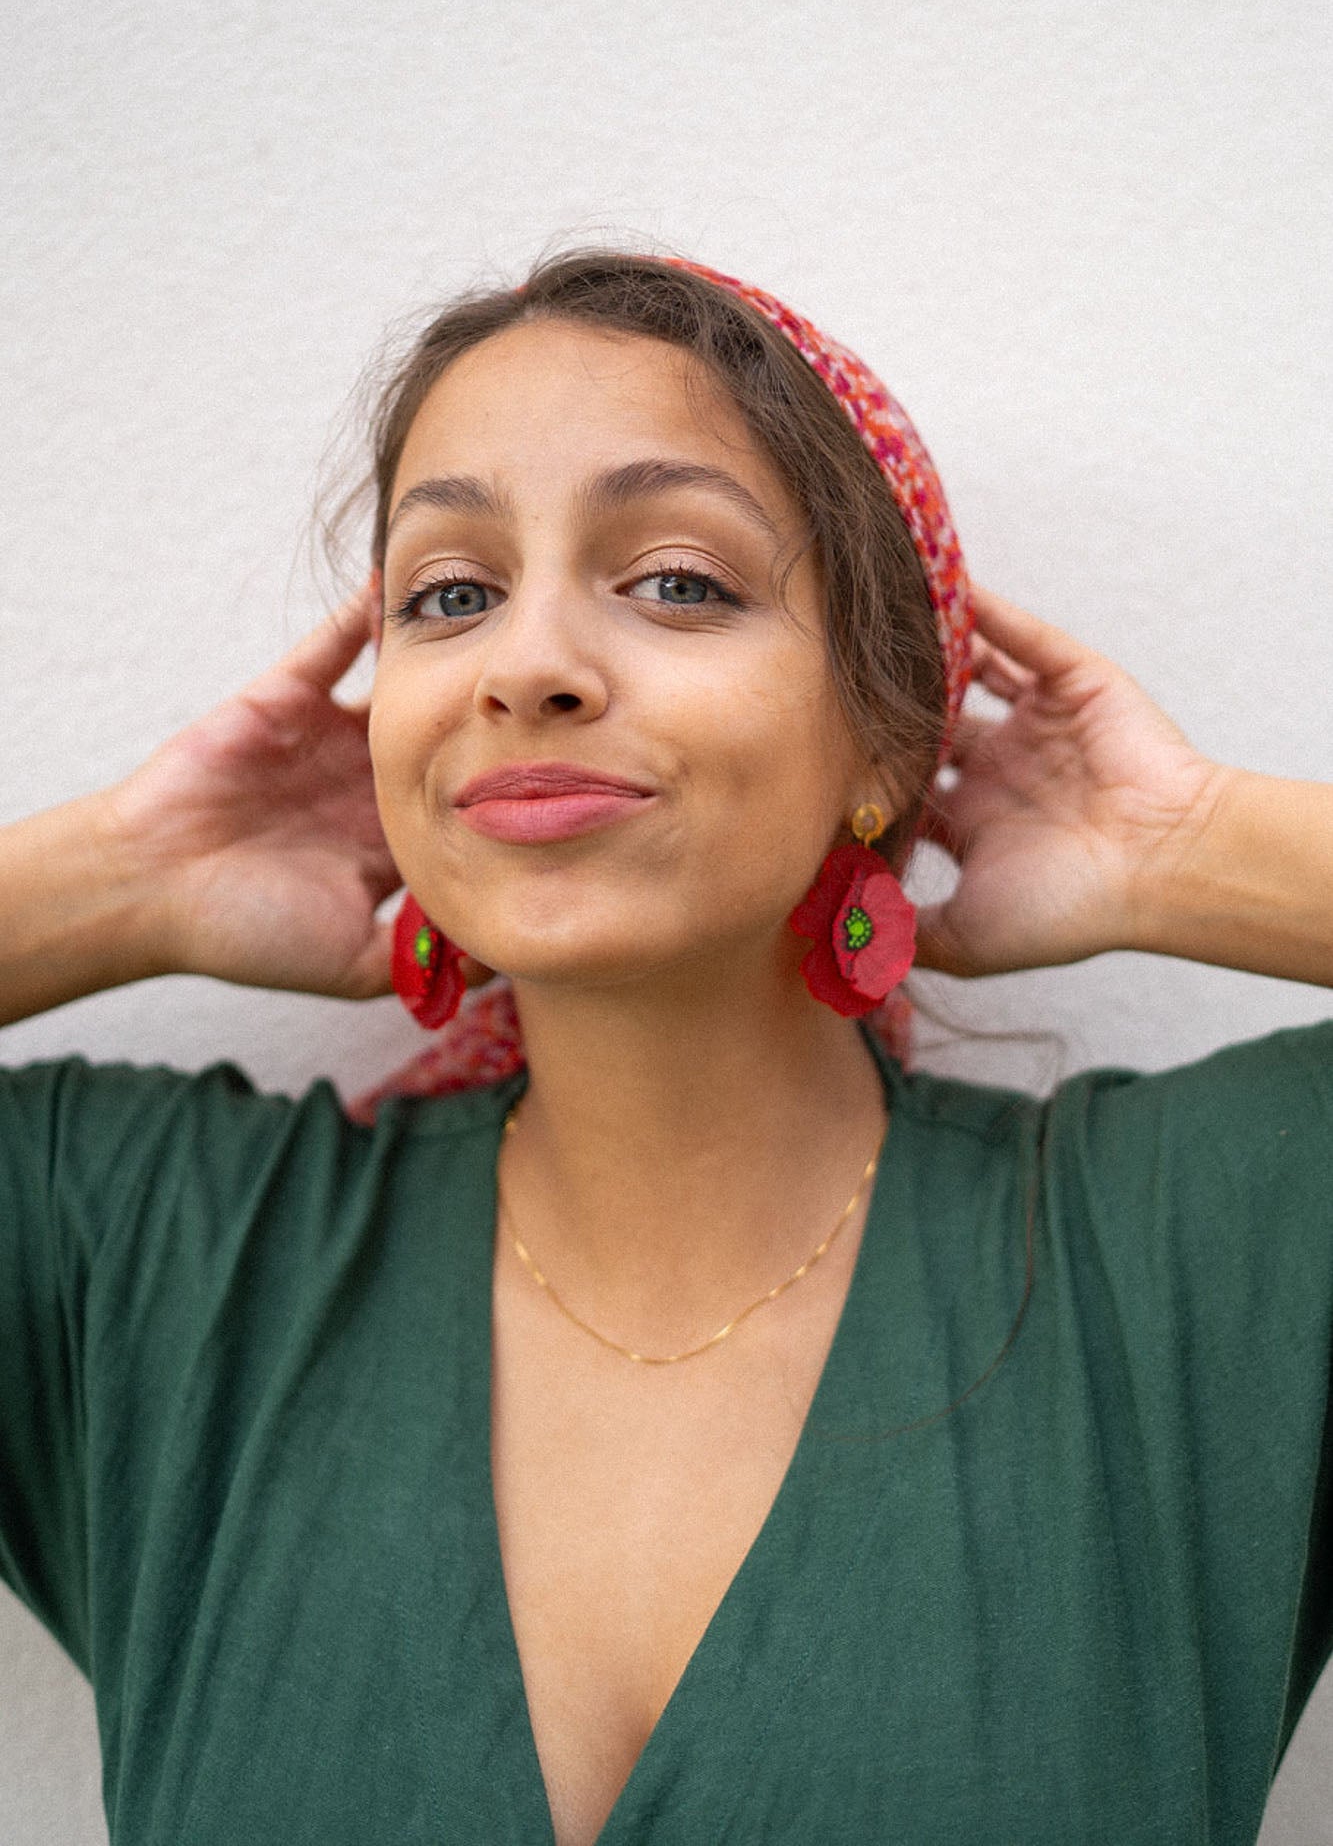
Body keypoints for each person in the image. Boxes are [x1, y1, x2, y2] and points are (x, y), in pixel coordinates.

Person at [1, 246, 1330, 1846]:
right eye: (449, 596)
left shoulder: (1213, 1249)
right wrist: (124, 883)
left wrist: (1178, 843)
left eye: (678, 581)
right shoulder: (143, 1254)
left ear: (885, 732)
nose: (525, 663)